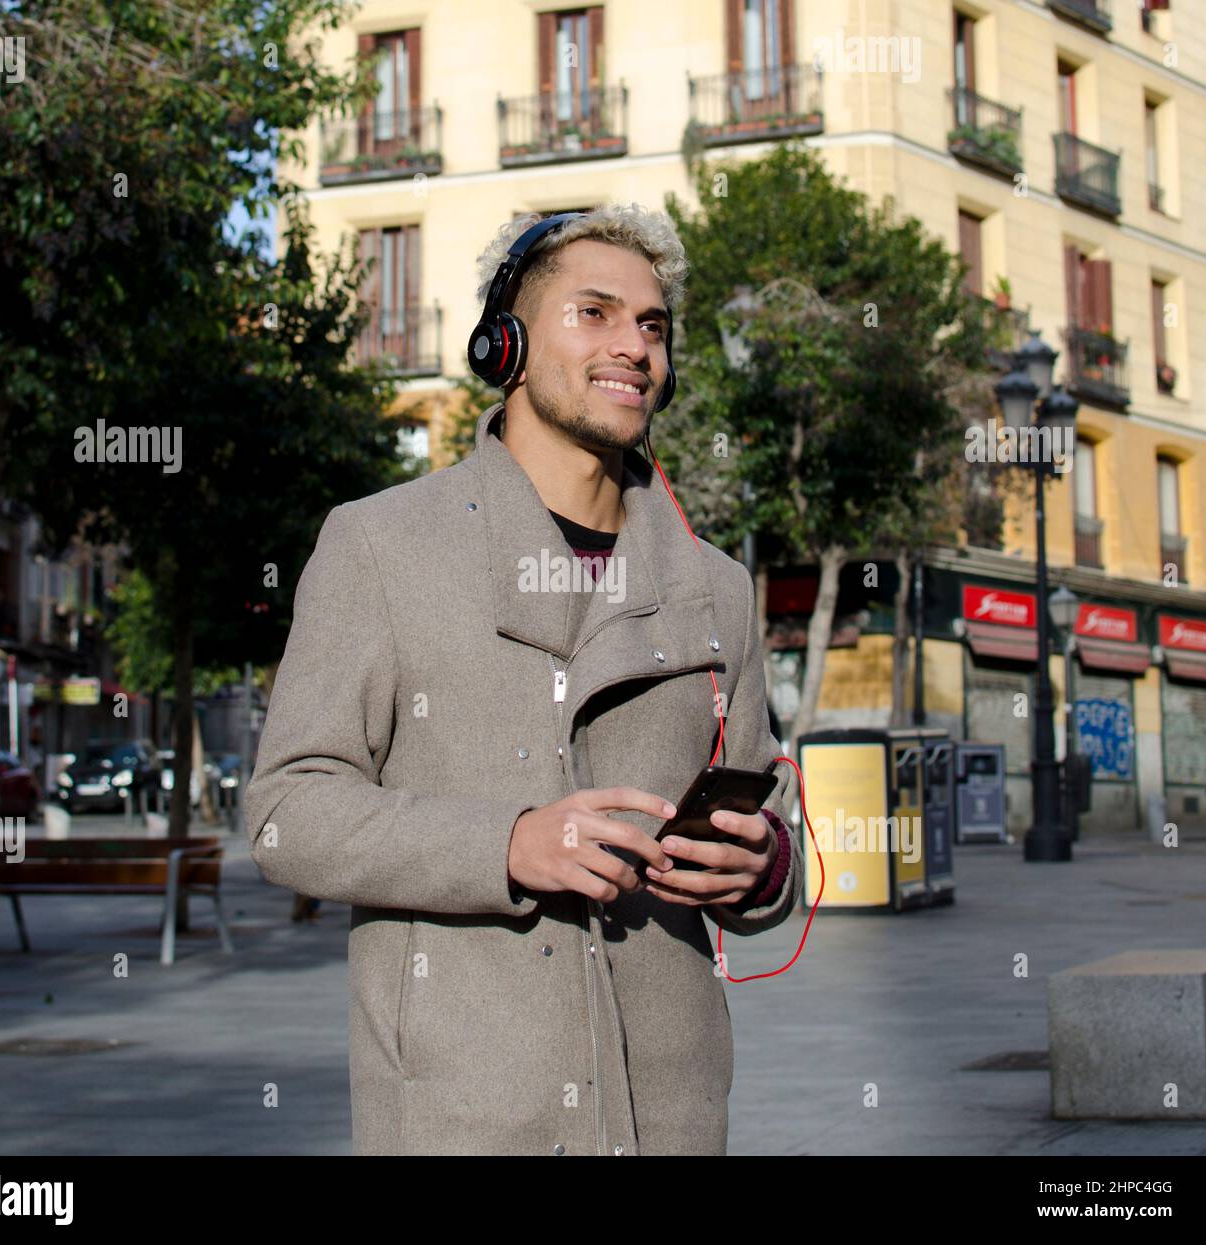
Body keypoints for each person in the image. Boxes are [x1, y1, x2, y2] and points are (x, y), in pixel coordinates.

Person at [245, 205, 803, 1156]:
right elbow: (287, 813)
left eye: (653, 325)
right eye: (594, 313)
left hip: (671, 1117)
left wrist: (762, 868)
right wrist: (506, 844)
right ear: (504, 343)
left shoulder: (717, 587)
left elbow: (766, 810)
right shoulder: (380, 545)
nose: (635, 345)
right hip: (467, 1115)